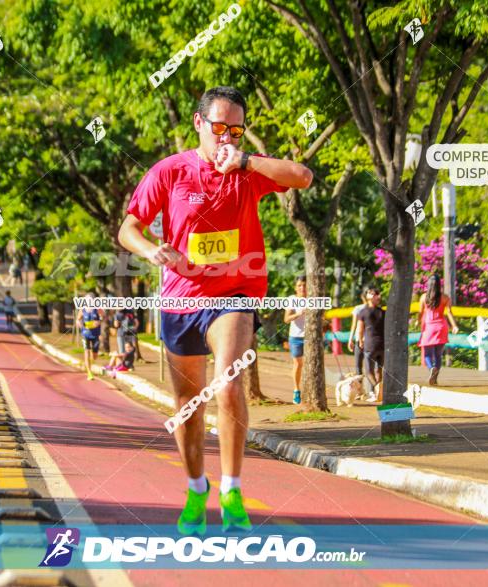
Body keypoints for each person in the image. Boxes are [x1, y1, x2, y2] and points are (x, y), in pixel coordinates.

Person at [117, 86, 312, 535]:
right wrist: (150, 250)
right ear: (198, 123)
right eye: (219, 127)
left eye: (236, 130)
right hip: (181, 298)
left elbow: (302, 176)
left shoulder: (247, 171)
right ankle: (195, 488)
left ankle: (232, 488)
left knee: (228, 381)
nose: (227, 137)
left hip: (235, 294)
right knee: (186, 405)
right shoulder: (169, 172)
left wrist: (245, 160)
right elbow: (129, 227)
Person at [418, 274, 460, 385]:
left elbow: (420, 313)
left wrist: (418, 321)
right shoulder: (445, 297)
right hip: (441, 327)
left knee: (427, 354)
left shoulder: (423, 298)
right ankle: (435, 377)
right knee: (438, 354)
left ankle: (431, 368)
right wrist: (454, 326)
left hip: (429, 327)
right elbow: (449, 313)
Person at [355, 286, 385, 403]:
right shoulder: (383, 312)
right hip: (382, 344)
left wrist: (361, 341)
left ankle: (376, 389)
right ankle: (378, 392)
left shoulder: (363, 312)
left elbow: (360, 329)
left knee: (368, 372)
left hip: (370, 344)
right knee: (379, 370)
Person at [283, 276, 307, 405]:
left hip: (310, 338)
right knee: (298, 364)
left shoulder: (313, 300)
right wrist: (299, 314)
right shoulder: (292, 300)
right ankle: (297, 390)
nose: (302, 287)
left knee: (311, 365)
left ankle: (310, 389)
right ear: (295, 287)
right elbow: (286, 319)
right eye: (299, 285)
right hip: (296, 337)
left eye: (304, 285)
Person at [77, 293, 104, 381]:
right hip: (85, 334)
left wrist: (99, 321)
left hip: (95, 334)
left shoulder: (97, 309)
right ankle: (89, 372)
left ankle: (89, 364)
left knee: (94, 355)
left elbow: (103, 317)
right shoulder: (82, 309)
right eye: (87, 299)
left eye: (90, 299)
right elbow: (78, 319)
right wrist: (80, 324)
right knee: (87, 352)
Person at [346, 292, 368, 376]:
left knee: (358, 367)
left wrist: (350, 339)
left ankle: (360, 387)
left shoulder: (358, 308)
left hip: (359, 340)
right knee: (371, 367)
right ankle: (373, 388)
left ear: (362, 297)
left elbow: (354, 325)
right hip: (371, 340)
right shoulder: (376, 308)